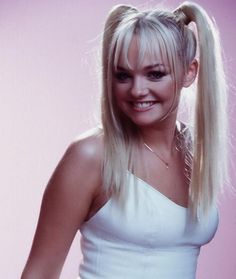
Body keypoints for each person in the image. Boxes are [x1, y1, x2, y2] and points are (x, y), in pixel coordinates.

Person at [21, 1, 228, 278]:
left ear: (190, 72)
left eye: (155, 74)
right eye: (123, 75)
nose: (137, 90)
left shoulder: (196, 151)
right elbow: (39, 273)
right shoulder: (91, 156)